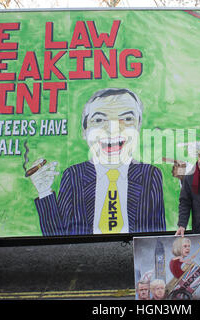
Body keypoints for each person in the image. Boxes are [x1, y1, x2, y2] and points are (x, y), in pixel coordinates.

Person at [29, 88, 166, 236]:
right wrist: (44, 192)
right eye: (99, 120)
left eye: (127, 119)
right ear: (84, 130)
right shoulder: (74, 175)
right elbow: (58, 239)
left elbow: (154, 236)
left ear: (138, 127)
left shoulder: (150, 175)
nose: (113, 129)